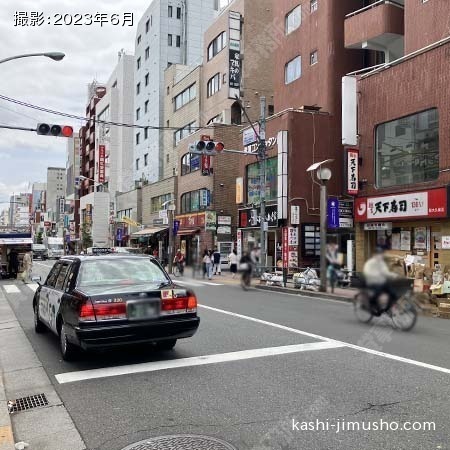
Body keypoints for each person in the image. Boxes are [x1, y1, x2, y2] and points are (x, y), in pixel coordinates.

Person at [363, 248, 399, 314]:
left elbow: (385, 272)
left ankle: (387, 308)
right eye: (378, 254)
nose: (380, 256)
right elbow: (366, 272)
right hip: (372, 282)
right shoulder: (370, 263)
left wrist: (393, 275)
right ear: (374, 255)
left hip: (382, 282)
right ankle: (371, 306)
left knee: (393, 293)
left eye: (380, 254)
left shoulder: (382, 263)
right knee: (377, 292)